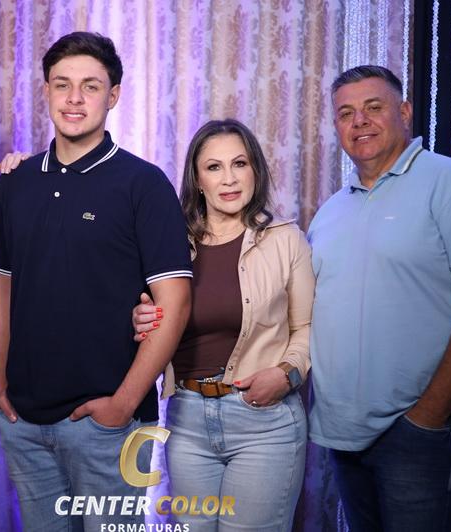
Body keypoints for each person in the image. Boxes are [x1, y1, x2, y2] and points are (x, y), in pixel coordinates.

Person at [0, 32, 192, 531]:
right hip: (24, 424)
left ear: (113, 95)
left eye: (91, 86)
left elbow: (176, 302)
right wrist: (0, 385)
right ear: (46, 91)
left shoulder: (143, 184)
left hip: (109, 426)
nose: (74, 99)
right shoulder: (15, 183)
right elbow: (2, 290)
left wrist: (123, 404)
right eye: (62, 85)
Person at [307, 65, 451, 531]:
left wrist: (427, 416)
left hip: (422, 435)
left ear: (404, 113)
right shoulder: (331, 211)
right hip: (344, 437)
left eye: (373, 107)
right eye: (346, 113)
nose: (359, 121)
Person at [131, 119, 314, 530]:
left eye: (239, 164)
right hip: (186, 419)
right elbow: (151, 319)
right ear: (197, 180)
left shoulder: (286, 239)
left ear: (255, 171)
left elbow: (306, 327)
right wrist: (140, 320)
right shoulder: (170, 243)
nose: (229, 179)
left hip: (262, 421)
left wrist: (286, 375)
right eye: (214, 167)